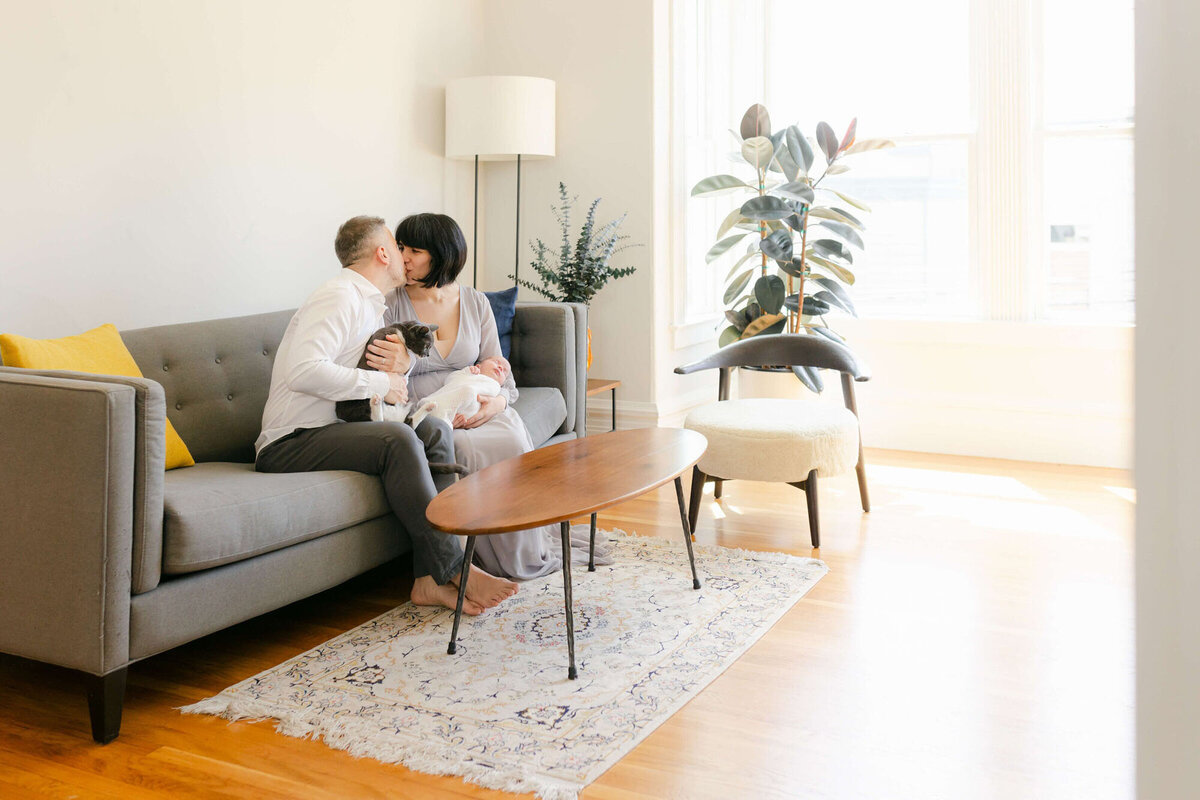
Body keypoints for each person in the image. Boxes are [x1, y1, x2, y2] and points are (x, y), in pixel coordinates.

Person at [254, 215, 518, 614]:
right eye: (398, 246)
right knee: (399, 439)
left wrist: (401, 367)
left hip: (340, 427)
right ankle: (458, 568)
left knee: (432, 429)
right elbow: (303, 371)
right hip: (291, 439)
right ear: (382, 253)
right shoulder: (338, 296)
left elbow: (383, 375)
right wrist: (382, 383)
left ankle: (428, 580)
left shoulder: (373, 306)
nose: (403, 255)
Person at [385, 213, 611, 580]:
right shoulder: (391, 304)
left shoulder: (475, 302)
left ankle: (525, 546)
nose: (403, 258)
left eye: (415, 251)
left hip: (482, 405)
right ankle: (476, 560)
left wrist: (497, 405)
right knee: (464, 449)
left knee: (512, 438)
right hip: (433, 417)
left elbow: (502, 374)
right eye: (400, 248)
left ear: (441, 255)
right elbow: (385, 378)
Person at [409, 356, 510, 428]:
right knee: (467, 391)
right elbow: (450, 380)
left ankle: (444, 419)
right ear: (478, 366)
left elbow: (510, 388)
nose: (500, 367)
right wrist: (467, 371)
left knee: (469, 392)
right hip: (455, 397)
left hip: (467, 415)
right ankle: (435, 412)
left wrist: (500, 400)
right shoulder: (469, 374)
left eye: (504, 371)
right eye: (496, 362)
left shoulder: (496, 387)